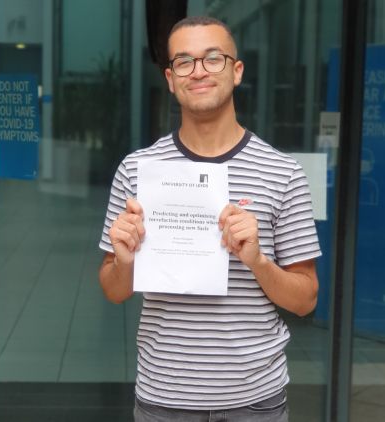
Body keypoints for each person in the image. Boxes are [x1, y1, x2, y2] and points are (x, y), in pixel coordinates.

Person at [98, 16, 321, 422]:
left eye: (212, 58)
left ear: (236, 71)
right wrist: (125, 261)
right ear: (170, 78)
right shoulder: (137, 170)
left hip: (255, 400)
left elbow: (306, 300)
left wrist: (257, 260)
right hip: (164, 395)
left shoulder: (283, 172)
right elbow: (113, 290)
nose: (198, 70)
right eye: (184, 62)